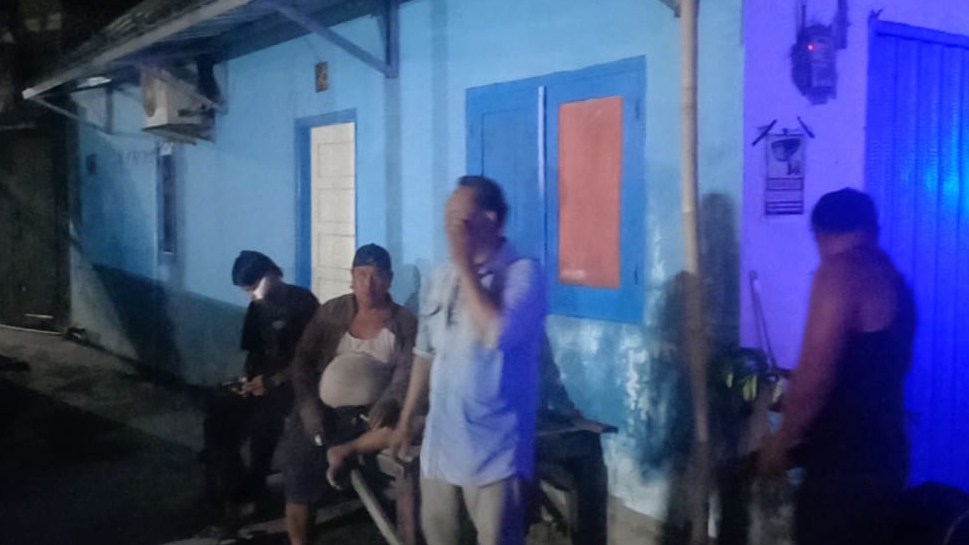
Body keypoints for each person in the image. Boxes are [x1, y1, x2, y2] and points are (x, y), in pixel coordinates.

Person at [389, 176, 547, 545]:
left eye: (458, 220)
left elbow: (496, 333)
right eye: (447, 220)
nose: (450, 231)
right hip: (441, 445)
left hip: (495, 452)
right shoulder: (440, 277)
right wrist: (406, 419)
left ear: (490, 219)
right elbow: (425, 352)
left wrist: (466, 267)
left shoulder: (524, 274)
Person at [758, 188, 916, 545]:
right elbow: (879, 369)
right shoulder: (894, 280)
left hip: (843, 468)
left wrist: (781, 443)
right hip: (886, 457)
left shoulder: (839, 271)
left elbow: (816, 377)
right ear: (874, 229)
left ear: (819, 234)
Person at [283, 243, 417, 545]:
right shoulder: (333, 311)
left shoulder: (404, 322)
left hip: (369, 416)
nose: (368, 284)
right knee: (299, 465)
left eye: (377, 276)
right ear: (352, 277)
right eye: (361, 275)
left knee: (406, 438)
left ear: (389, 280)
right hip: (324, 411)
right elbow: (303, 359)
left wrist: (391, 400)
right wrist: (309, 407)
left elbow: (408, 370)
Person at [201, 251, 319, 516]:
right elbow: (253, 352)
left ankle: (256, 487)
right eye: (247, 290)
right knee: (217, 418)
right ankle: (234, 487)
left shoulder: (303, 302)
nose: (252, 295)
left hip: (296, 386)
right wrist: (248, 382)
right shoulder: (256, 309)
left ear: (271, 274)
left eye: (253, 287)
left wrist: (275, 380)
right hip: (263, 383)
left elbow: (311, 357)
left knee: (264, 424)